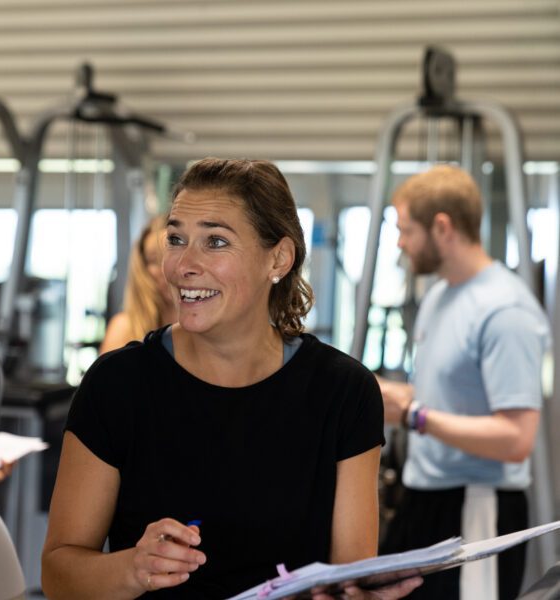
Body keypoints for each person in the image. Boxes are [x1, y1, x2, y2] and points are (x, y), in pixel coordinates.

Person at [42, 157, 422, 599]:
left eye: (215, 241)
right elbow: (58, 574)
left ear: (277, 258)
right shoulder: (117, 385)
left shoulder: (344, 392)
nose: (183, 264)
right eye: (176, 238)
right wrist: (132, 567)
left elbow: (349, 577)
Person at [377, 165, 550, 600]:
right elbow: (454, 397)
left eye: (406, 230)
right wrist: (403, 398)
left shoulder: (505, 310)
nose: (400, 243)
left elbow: (515, 438)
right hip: (424, 497)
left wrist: (413, 415)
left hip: (477, 506)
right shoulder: (439, 294)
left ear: (442, 227)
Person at [100, 217, 177, 354]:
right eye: (154, 260)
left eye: (172, 256)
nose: (165, 270)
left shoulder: (205, 328)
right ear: (142, 267)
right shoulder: (124, 328)